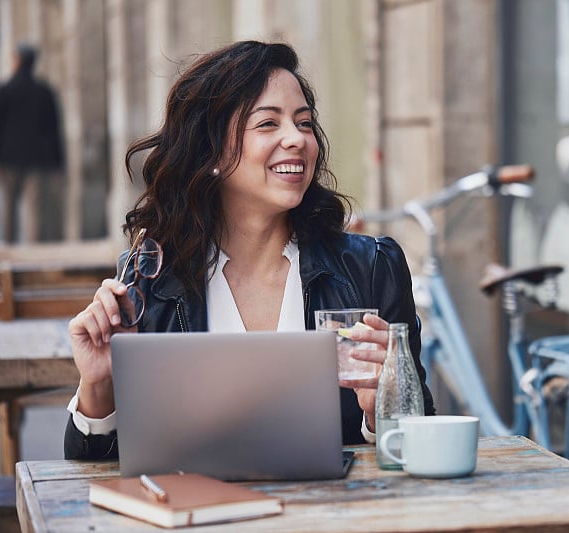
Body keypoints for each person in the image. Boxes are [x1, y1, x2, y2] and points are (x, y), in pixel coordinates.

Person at [64, 41, 435, 460]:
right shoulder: (152, 281)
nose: (296, 139)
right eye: (268, 124)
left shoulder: (370, 269)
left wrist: (382, 408)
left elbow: (418, 441)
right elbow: (96, 471)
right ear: (213, 152)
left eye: (305, 123)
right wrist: (98, 385)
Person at [0, 43, 64, 243]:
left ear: (17, 61)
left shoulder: (5, 90)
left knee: (9, 206)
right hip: (38, 159)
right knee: (35, 208)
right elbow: (54, 130)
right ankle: (34, 246)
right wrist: (58, 162)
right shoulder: (45, 92)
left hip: (9, 158)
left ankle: (9, 246)